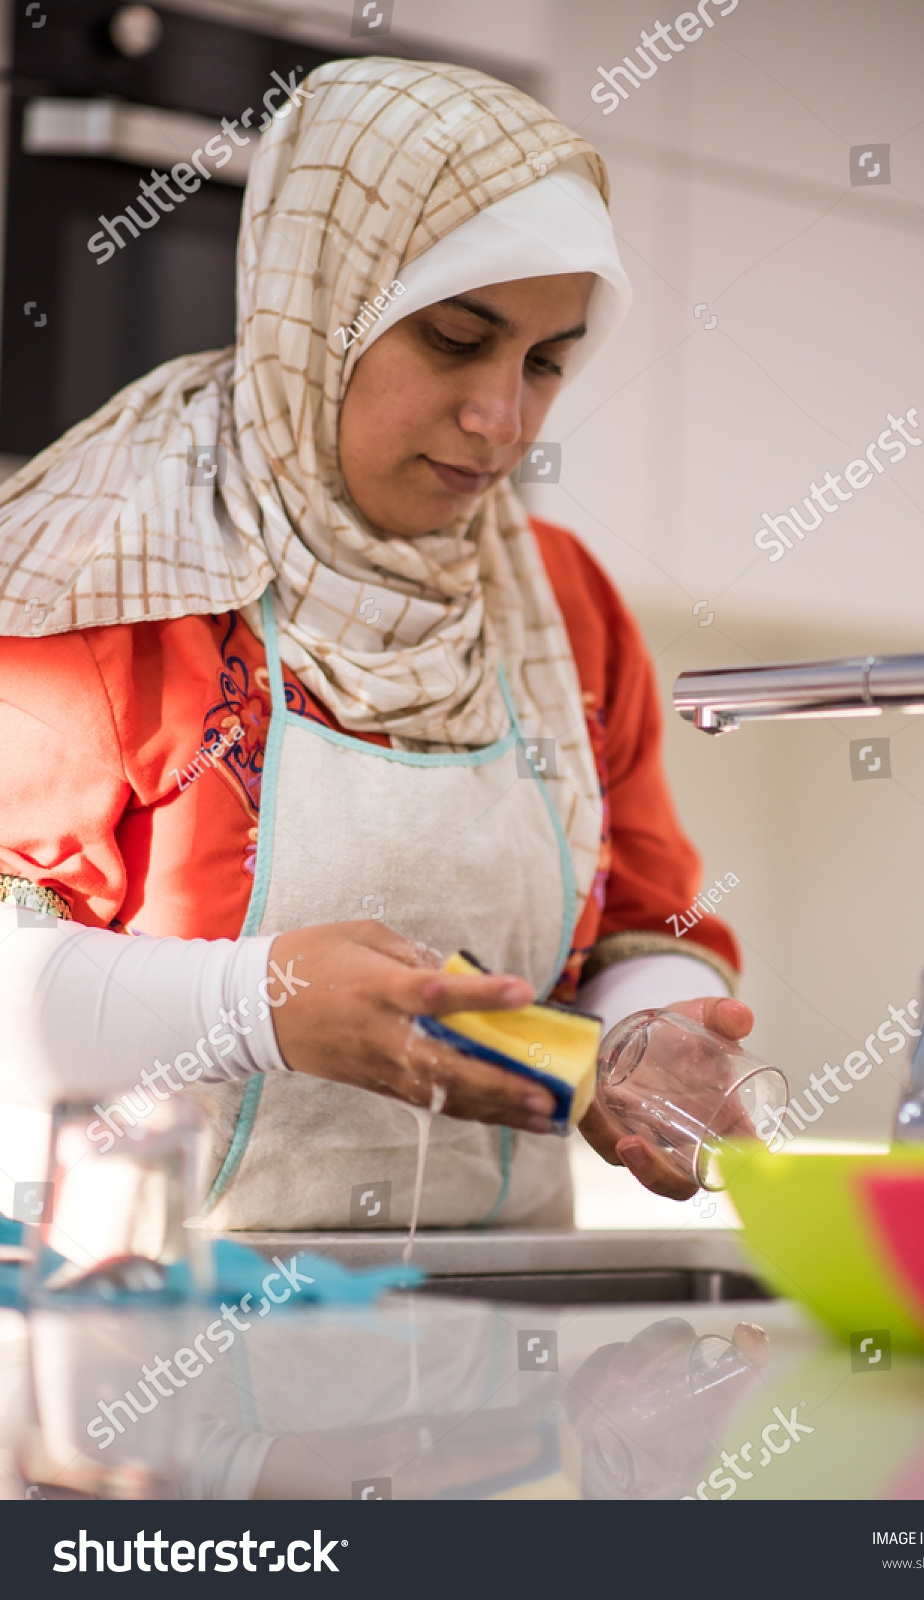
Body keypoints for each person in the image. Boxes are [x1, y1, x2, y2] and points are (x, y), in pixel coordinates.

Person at [0, 57, 749, 1233]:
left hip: (483, 1357)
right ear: (318, 304)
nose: (502, 420)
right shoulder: (94, 578)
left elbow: (639, 919)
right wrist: (257, 1003)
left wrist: (650, 1031)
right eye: (456, 339)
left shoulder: (557, 601)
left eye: (546, 361)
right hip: (141, 1349)